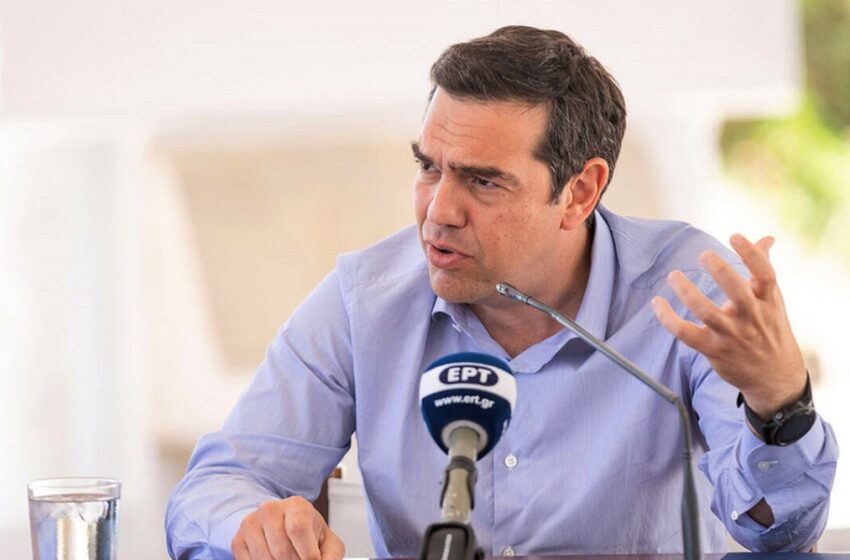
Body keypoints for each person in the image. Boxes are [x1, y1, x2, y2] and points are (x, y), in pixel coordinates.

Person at [165, 26, 838, 560]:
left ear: (579, 191)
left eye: (483, 181)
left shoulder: (689, 291)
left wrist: (779, 404)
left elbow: (774, 533)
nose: (438, 212)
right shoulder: (363, 299)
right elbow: (213, 489)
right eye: (429, 168)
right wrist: (253, 526)